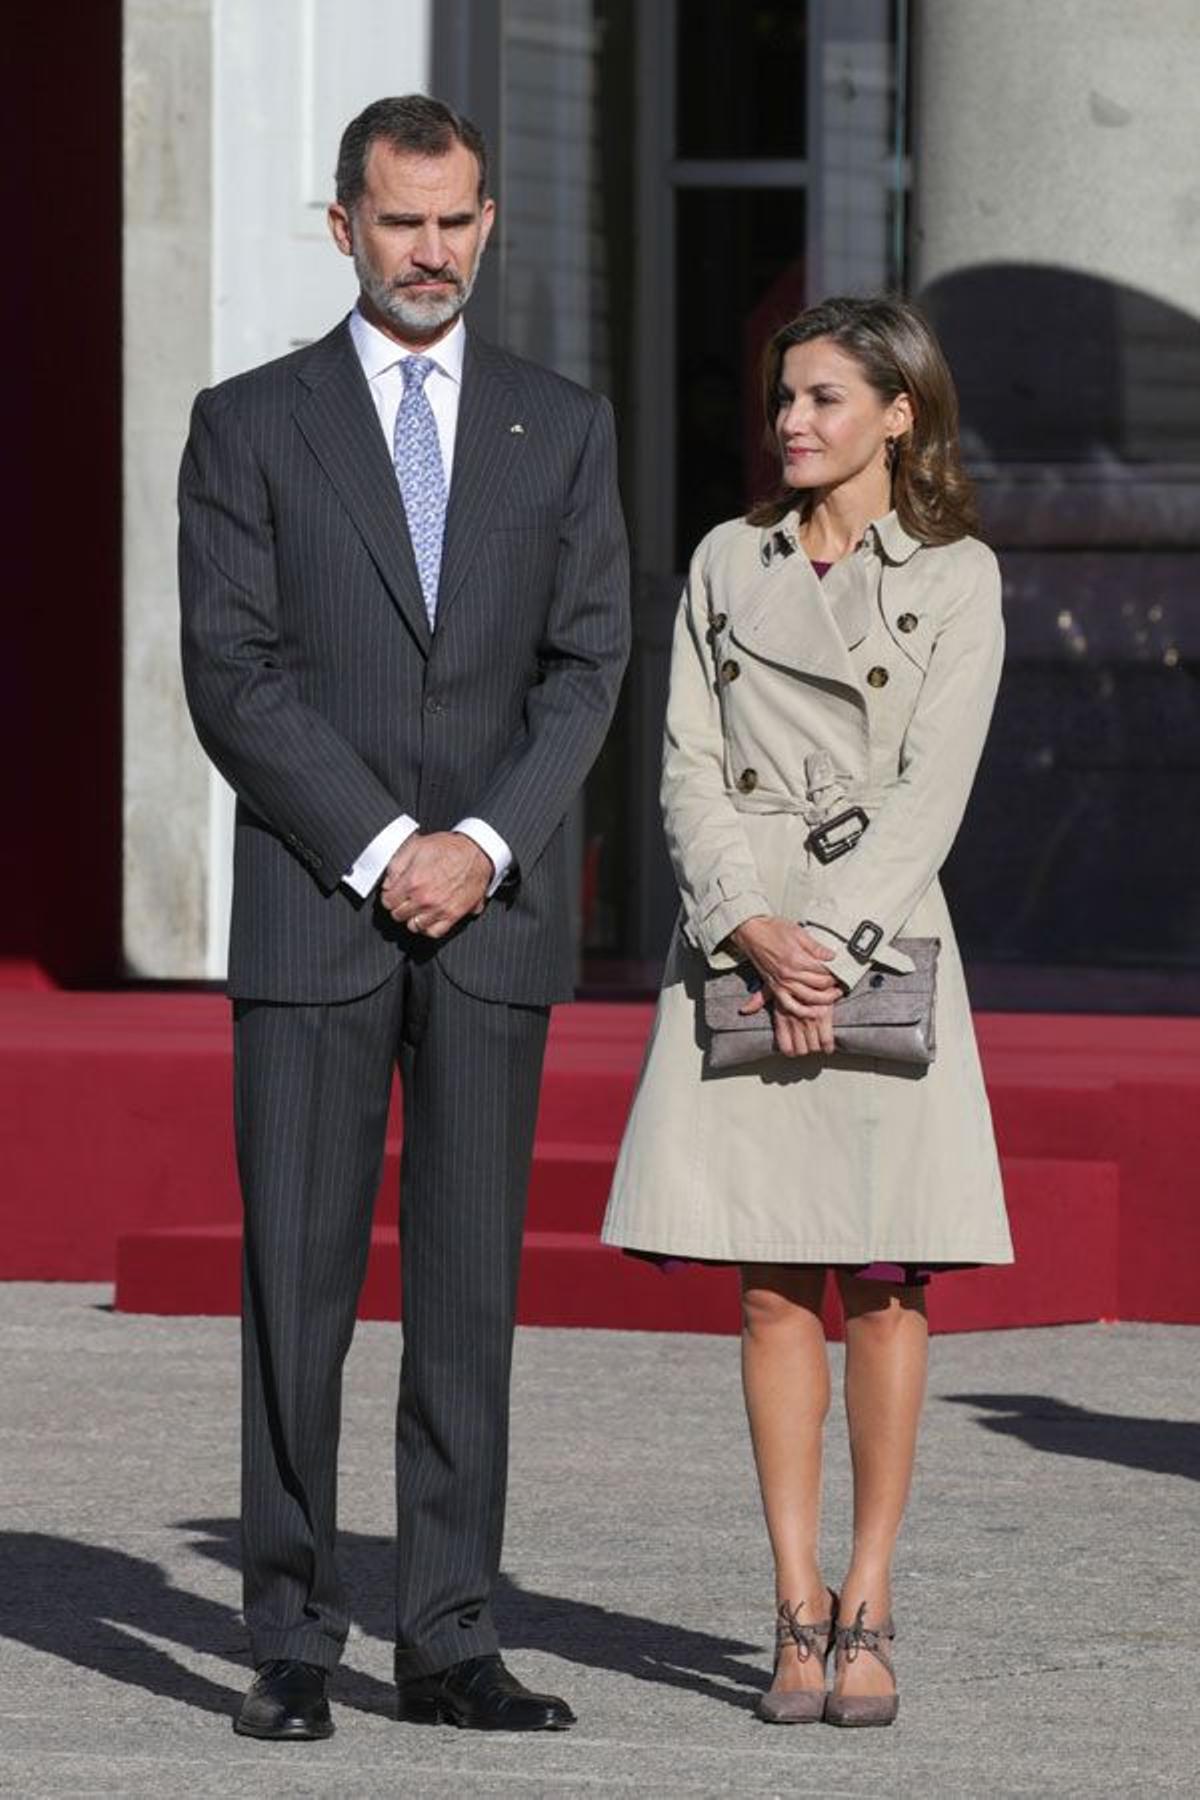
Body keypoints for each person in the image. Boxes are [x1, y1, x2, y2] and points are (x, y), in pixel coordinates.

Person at [179, 94, 629, 1741]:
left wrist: (489, 844)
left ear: (489, 223)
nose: (429, 252)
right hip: (320, 913)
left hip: (492, 926)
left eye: (455, 222)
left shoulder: (560, 426)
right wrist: (388, 847)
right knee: (297, 1288)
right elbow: (233, 673)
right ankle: (293, 1635)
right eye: (399, 222)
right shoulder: (248, 424)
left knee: (467, 1294)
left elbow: (590, 664)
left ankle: (447, 1635)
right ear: (343, 226)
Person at [602, 296, 1012, 1728]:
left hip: (879, 940)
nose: (793, 421)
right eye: (784, 397)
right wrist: (749, 928)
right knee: (772, 1283)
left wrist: (828, 945)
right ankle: (790, 1610)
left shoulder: (958, 576)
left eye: (826, 399)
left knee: (891, 1285)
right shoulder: (728, 561)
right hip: (743, 934)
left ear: (900, 413)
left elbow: (935, 792)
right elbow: (684, 765)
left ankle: (871, 1599)